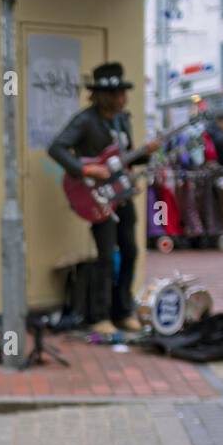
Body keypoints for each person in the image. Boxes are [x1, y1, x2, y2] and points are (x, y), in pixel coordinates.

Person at [48, 61, 160, 334]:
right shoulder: (85, 120)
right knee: (106, 257)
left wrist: (147, 152)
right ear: (106, 96)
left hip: (122, 195)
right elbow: (57, 148)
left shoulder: (123, 120)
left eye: (125, 93)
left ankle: (123, 311)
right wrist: (85, 169)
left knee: (131, 252)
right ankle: (99, 316)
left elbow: (126, 157)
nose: (124, 98)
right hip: (98, 199)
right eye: (119, 94)